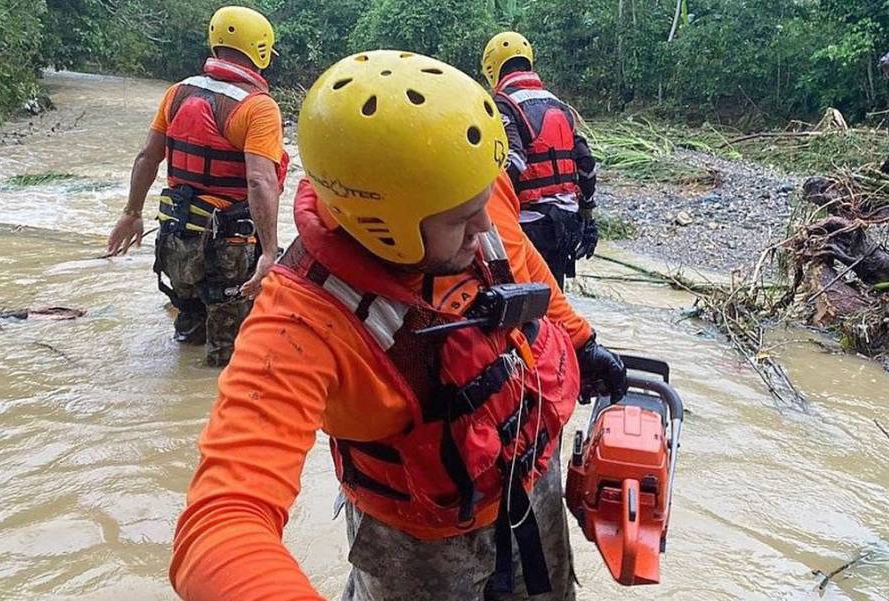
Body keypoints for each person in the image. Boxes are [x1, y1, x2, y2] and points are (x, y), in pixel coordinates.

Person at [169, 51, 627, 601]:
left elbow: (526, 268)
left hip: (529, 481)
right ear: (387, 226)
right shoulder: (301, 322)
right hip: (418, 541)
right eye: (464, 218)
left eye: (486, 201)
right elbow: (220, 525)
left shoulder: (463, 192)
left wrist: (581, 341)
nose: (485, 224)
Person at [106, 6, 288, 366]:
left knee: (188, 337)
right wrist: (268, 252)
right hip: (230, 251)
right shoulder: (259, 108)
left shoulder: (177, 93)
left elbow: (147, 157)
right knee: (228, 358)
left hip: (176, 241)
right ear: (261, 50)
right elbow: (260, 179)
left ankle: (174, 409)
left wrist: (131, 213)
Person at [481, 32, 599, 287]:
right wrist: (588, 217)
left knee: (522, 302)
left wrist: (482, 204)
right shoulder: (559, 105)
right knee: (555, 300)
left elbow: (513, 159)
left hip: (531, 224)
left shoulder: (504, 105)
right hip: (568, 223)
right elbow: (586, 163)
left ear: (492, 68)